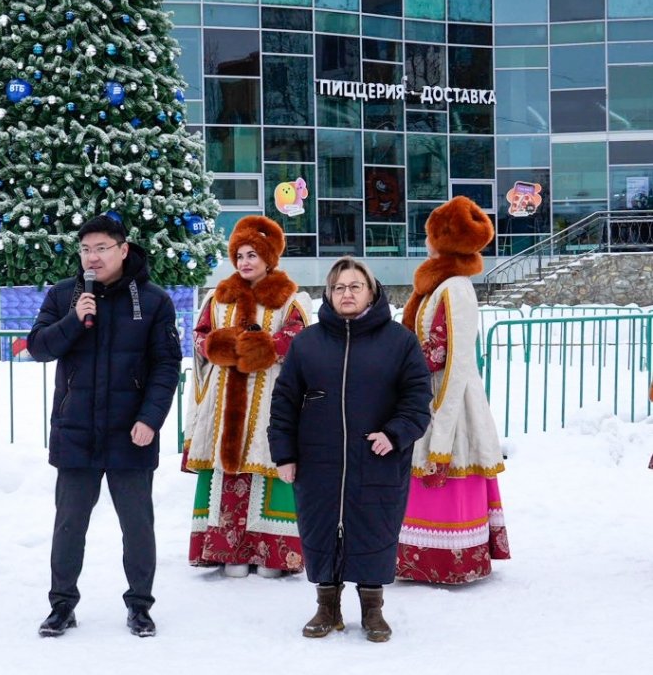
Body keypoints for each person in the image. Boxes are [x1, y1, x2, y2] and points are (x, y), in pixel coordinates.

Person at [27, 214, 181, 639]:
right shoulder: (64, 296)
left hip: (132, 433)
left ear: (123, 249)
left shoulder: (153, 301)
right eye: (85, 250)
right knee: (69, 524)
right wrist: (74, 320)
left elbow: (166, 366)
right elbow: (38, 347)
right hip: (76, 430)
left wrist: (150, 419)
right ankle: (61, 605)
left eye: (101, 249)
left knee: (137, 525)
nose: (92, 258)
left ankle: (140, 606)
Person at [268, 257, 432, 642]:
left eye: (355, 286)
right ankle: (327, 607)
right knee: (320, 527)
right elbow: (284, 401)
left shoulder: (399, 341)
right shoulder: (307, 343)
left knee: (375, 528)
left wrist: (394, 435)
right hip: (317, 460)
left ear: (371, 292)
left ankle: (373, 610)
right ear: (328, 293)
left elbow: (418, 397)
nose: (347, 293)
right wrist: (284, 454)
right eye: (339, 287)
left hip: (377, 457)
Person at [184, 215, 309, 577]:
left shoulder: (291, 298)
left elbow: (299, 339)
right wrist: (216, 346)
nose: (245, 262)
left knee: (267, 460)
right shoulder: (218, 295)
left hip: (269, 397)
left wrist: (267, 347)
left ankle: (271, 551)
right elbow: (199, 338)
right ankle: (227, 549)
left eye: (253, 254)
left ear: (270, 258)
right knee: (227, 469)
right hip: (224, 402)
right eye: (240, 255)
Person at [396, 196, 510, 584]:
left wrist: (401, 362)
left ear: (442, 237)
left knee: (444, 466)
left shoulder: (456, 288)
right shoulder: (436, 285)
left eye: (431, 232)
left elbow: (450, 353)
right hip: (425, 391)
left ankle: (448, 559)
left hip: (449, 399)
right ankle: (420, 557)